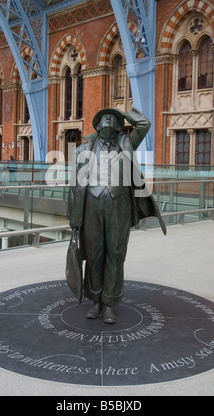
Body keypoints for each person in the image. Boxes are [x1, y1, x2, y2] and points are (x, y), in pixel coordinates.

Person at [67, 107, 166, 324]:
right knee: (94, 256)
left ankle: (110, 303)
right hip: (91, 206)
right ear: (97, 125)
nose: (109, 120)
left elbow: (144, 124)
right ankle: (96, 301)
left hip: (119, 205)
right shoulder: (83, 149)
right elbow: (74, 185)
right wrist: (74, 217)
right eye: (104, 117)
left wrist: (124, 112)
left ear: (119, 125)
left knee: (116, 255)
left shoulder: (127, 144)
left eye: (113, 118)